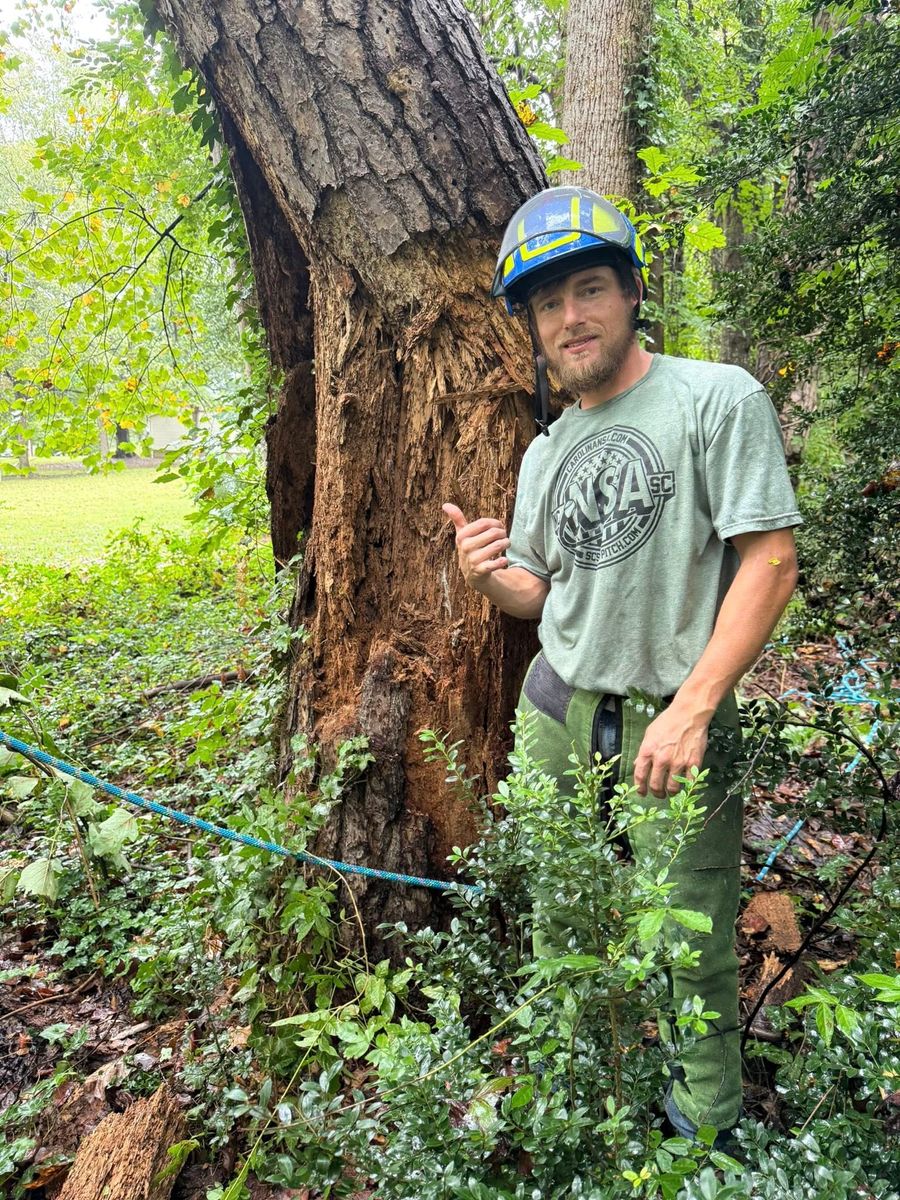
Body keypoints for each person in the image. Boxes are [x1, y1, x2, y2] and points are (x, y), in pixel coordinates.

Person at [442, 186, 801, 1145]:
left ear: (634, 291)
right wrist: (491, 579)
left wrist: (693, 708)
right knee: (562, 916)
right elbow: (540, 592)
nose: (571, 318)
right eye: (548, 305)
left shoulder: (715, 398)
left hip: (671, 717)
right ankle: (577, 1096)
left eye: (589, 289)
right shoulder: (548, 449)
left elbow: (769, 562)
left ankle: (704, 1129)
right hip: (557, 707)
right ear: (533, 326)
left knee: (692, 936)